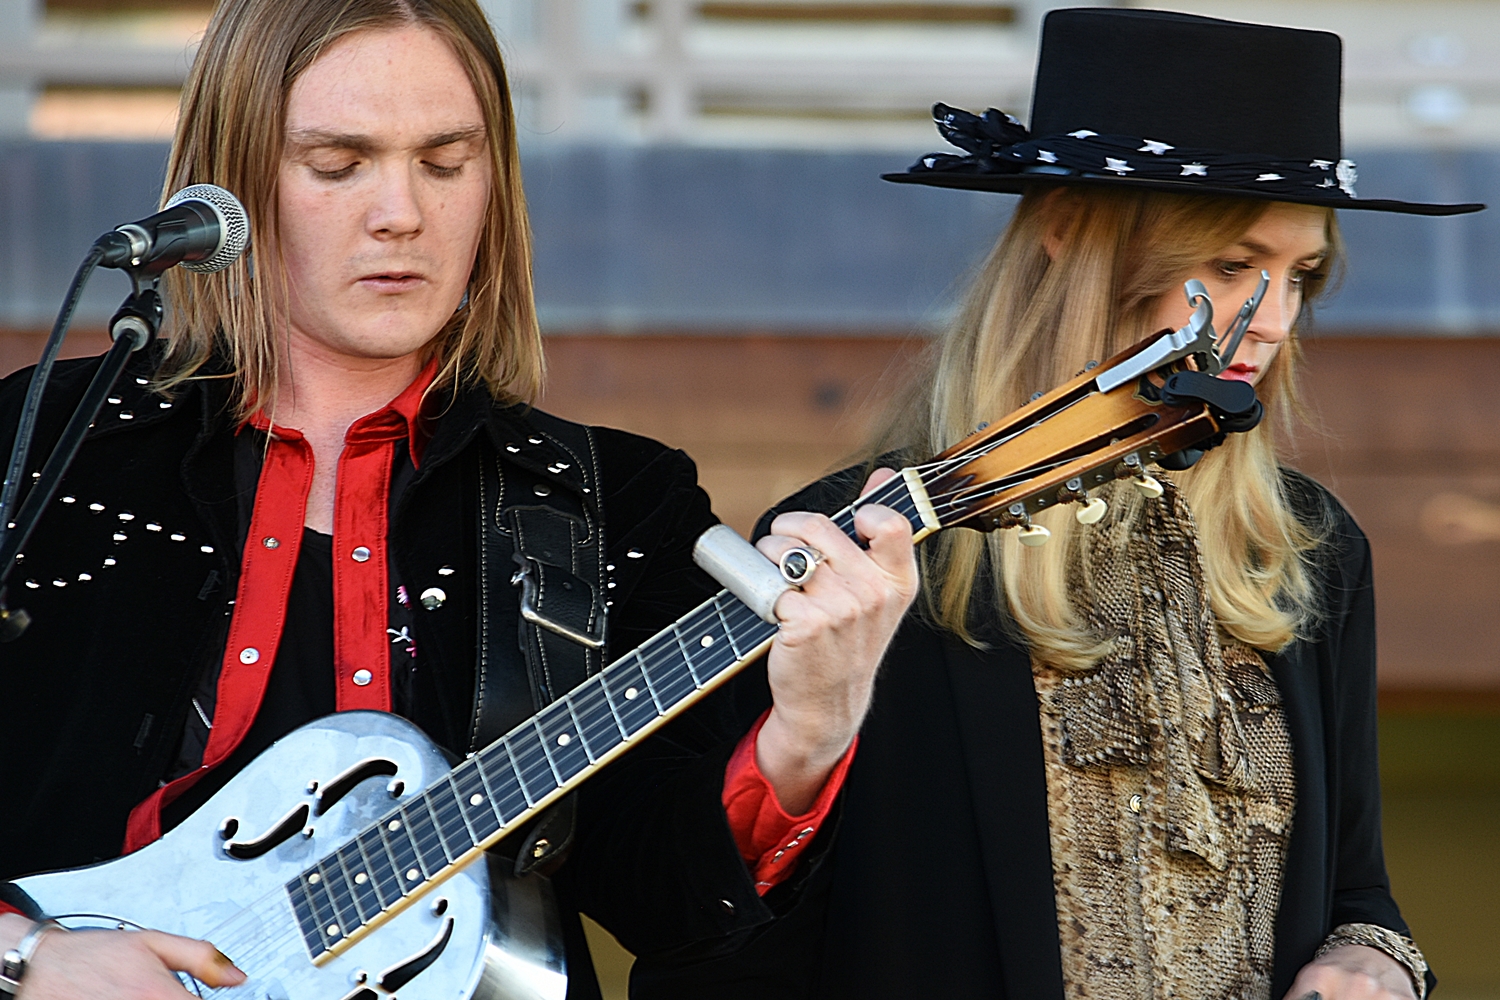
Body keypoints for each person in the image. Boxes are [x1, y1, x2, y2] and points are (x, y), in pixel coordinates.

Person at [0, 2, 917, 998]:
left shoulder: (613, 500)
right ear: (233, 186)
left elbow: (668, 909)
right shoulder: (47, 449)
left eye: (444, 163)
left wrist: (809, 730)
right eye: (338, 164)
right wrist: (26, 954)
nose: (401, 212)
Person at [634, 9, 1483, 1000]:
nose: (1277, 321)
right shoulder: (861, 550)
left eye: (1303, 275)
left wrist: (1371, 962)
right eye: (1230, 266)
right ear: (1069, 231)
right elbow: (722, 935)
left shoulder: (1310, 547)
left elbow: (1358, 891)